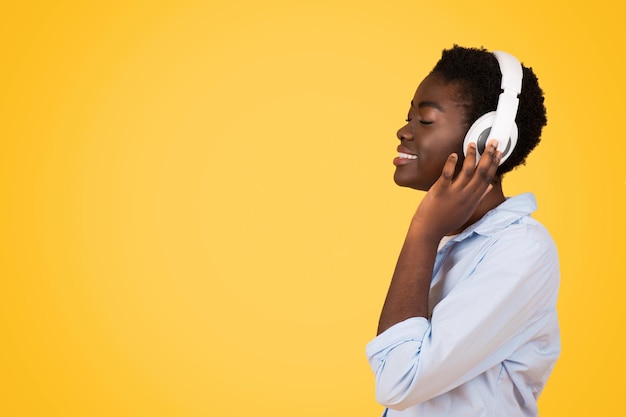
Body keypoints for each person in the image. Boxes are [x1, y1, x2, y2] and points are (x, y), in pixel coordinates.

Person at [366, 45, 560, 417]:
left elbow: (398, 381)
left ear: (491, 139)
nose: (403, 131)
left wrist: (423, 231)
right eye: (409, 117)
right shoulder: (453, 242)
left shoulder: (522, 251)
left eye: (424, 120)